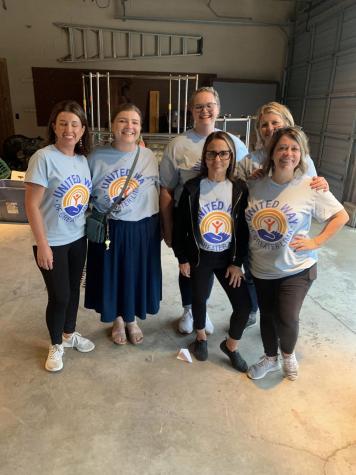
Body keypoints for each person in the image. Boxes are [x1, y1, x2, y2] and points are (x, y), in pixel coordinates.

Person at [245, 126, 349, 381]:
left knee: (287, 317)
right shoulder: (255, 183)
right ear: (272, 153)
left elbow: (341, 215)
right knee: (267, 316)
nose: (288, 154)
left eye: (294, 149)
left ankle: (288, 354)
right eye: (282, 148)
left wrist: (317, 241)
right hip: (261, 267)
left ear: (301, 154)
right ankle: (270, 358)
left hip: (296, 268)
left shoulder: (310, 186)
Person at [160, 86, 249, 335]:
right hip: (188, 218)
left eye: (209, 105)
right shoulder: (177, 145)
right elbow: (166, 189)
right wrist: (168, 228)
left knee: (208, 269)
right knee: (188, 266)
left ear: (218, 109)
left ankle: (201, 309)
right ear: (191, 110)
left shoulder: (236, 144)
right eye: (199, 106)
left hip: (220, 218)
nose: (204, 110)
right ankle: (190, 309)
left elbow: (251, 177)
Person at [236, 101, 329, 329]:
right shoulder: (250, 161)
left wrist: (323, 183)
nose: (270, 128)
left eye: (275, 122)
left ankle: (281, 319)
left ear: (287, 124)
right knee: (253, 276)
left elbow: (314, 191)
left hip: (288, 239)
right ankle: (253, 309)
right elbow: (236, 191)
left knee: (284, 287)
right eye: (264, 125)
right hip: (258, 235)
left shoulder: (303, 159)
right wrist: (249, 180)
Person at [25, 100, 95, 373]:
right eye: (63, 123)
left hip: (78, 238)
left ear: (82, 130)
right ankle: (55, 344)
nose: (69, 129)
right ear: (54, 126)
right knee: (60, 296)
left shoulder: (81, 160)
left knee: (73, 291)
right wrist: (42, 244)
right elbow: (31, 204)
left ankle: (69, 334)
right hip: (51, 240)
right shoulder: (43, 157)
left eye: (75, 124)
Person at [173, 131, 251, 370]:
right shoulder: (192, 188)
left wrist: (237, 262)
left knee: (244, 306)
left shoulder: (239, 188)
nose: (218, 159)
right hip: (201, 256)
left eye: (223, 153)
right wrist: (182, 257)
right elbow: (181, 227)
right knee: (198, 298)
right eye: (212, 153)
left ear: (231, 156)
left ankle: (230, 346)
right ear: (205, 157)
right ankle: (201, 338)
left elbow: (243, 229)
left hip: (228, 258)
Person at [84, 104, 161, 345]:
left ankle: (131, 319)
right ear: (112, 126)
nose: (129, 126)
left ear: (140, 128)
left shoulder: (148, 156)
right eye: (122, 121)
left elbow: (156, 190)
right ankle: (117, 319)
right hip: (111, 227)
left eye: (135, 122)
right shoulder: (95, 157)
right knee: (113, 275)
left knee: (135, 274)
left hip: (142, 228)